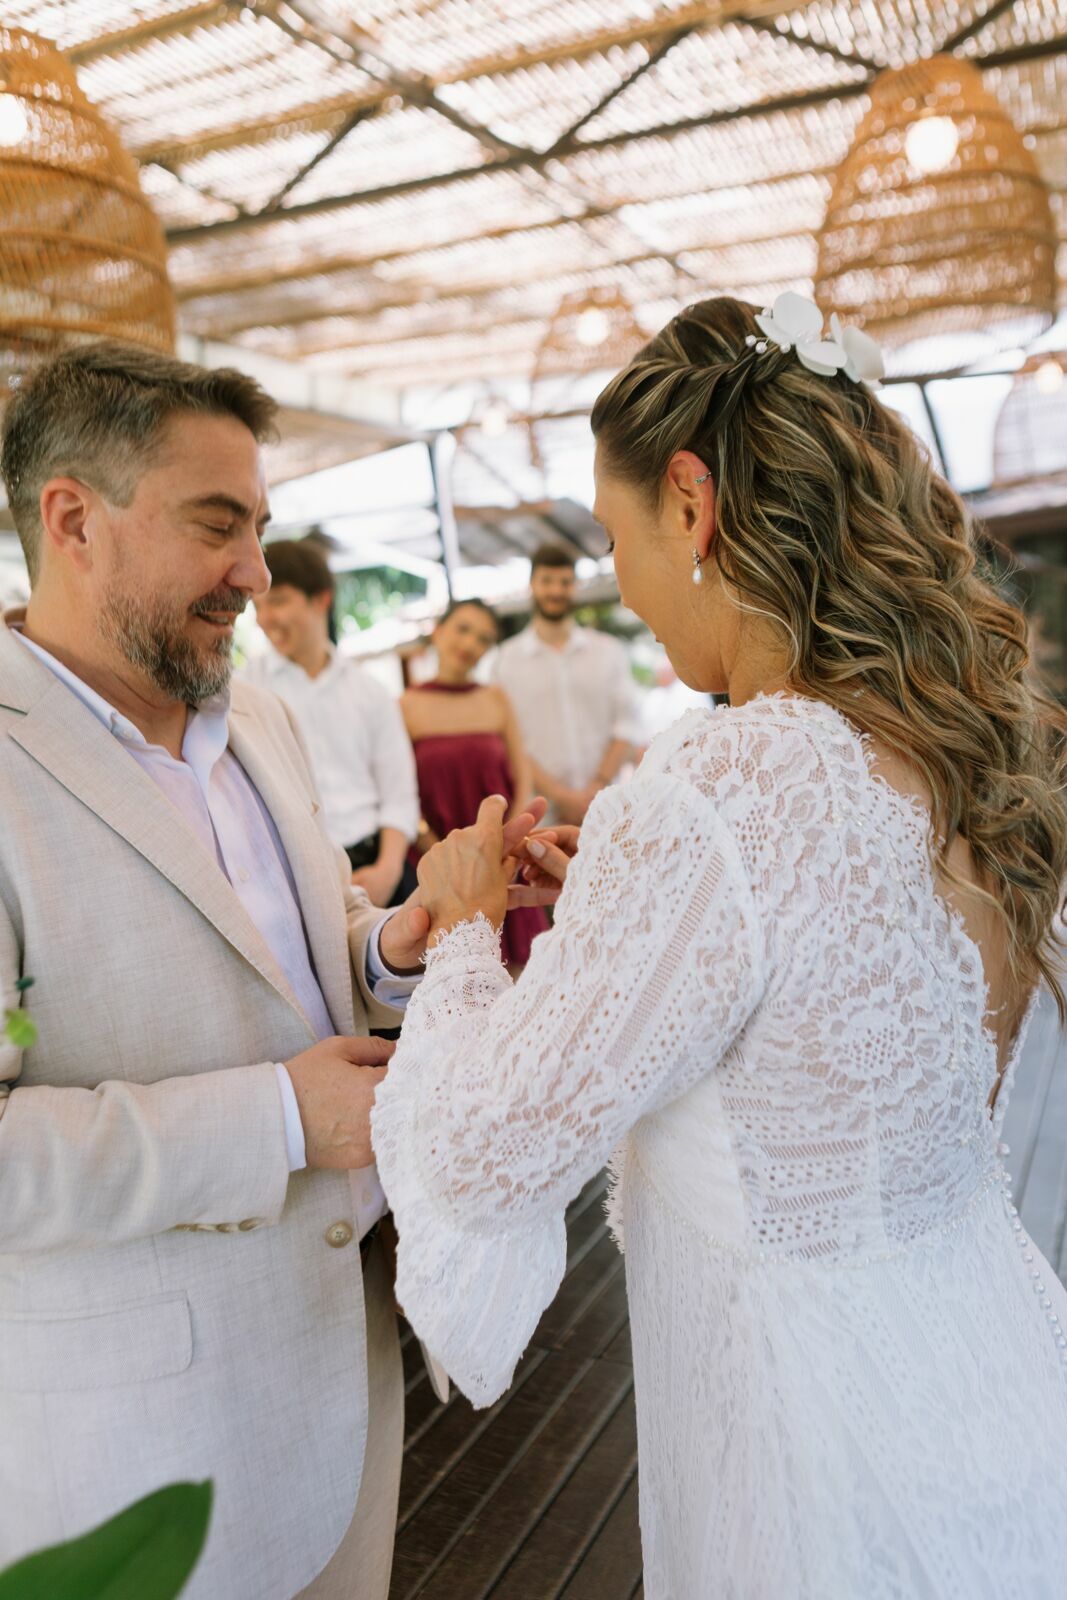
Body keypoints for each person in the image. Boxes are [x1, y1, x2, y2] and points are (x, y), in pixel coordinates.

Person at [372, 294, 1067, 1599]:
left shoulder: (717, 792)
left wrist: (466, 933)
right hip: (992, 1378)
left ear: (687, 506)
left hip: (819, 1460)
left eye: (614, 532)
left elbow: (475, 1157)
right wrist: (636, 922)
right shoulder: (963, 750)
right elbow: (823, 1017)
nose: (624, 580)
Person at [0, 342, 540, 1600]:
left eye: (261, 525)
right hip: (135, 1459)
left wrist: (395, 943)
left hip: (345, 1384)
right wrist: (282, 1118)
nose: (256, 572)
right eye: (216, 524)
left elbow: (302, 941)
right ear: (71, 519)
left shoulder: (259, 716)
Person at [245, 538, 419, 907]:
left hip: (378, 869)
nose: (264, 619)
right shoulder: (244, 692)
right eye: (257, 606)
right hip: (292, 881)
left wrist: (387, 872)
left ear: (320, 599)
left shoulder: (369, 691)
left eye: (277, 601)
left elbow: (399, 794)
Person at [400, 598, 548, 971]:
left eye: (483, 638)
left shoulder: (495, 699)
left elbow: (522, 774)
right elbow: (400, 791)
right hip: (435, 856)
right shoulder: (406, 705)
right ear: (439, 631)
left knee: (520, 975)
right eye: (463, 629)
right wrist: (438, 852)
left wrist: (505, 847)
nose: (470, 644)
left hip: (500, 857)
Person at [493, 543, 640, 822]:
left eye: (565, 582)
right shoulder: (505, 662)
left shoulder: (608, 651)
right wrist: (561, 797)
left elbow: (627, 726)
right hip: (541, 814)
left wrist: (596, 787)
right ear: (532, 585)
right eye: (547, 581)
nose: (556, 591)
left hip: (610, 807)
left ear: (576, 586)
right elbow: (508, 741)